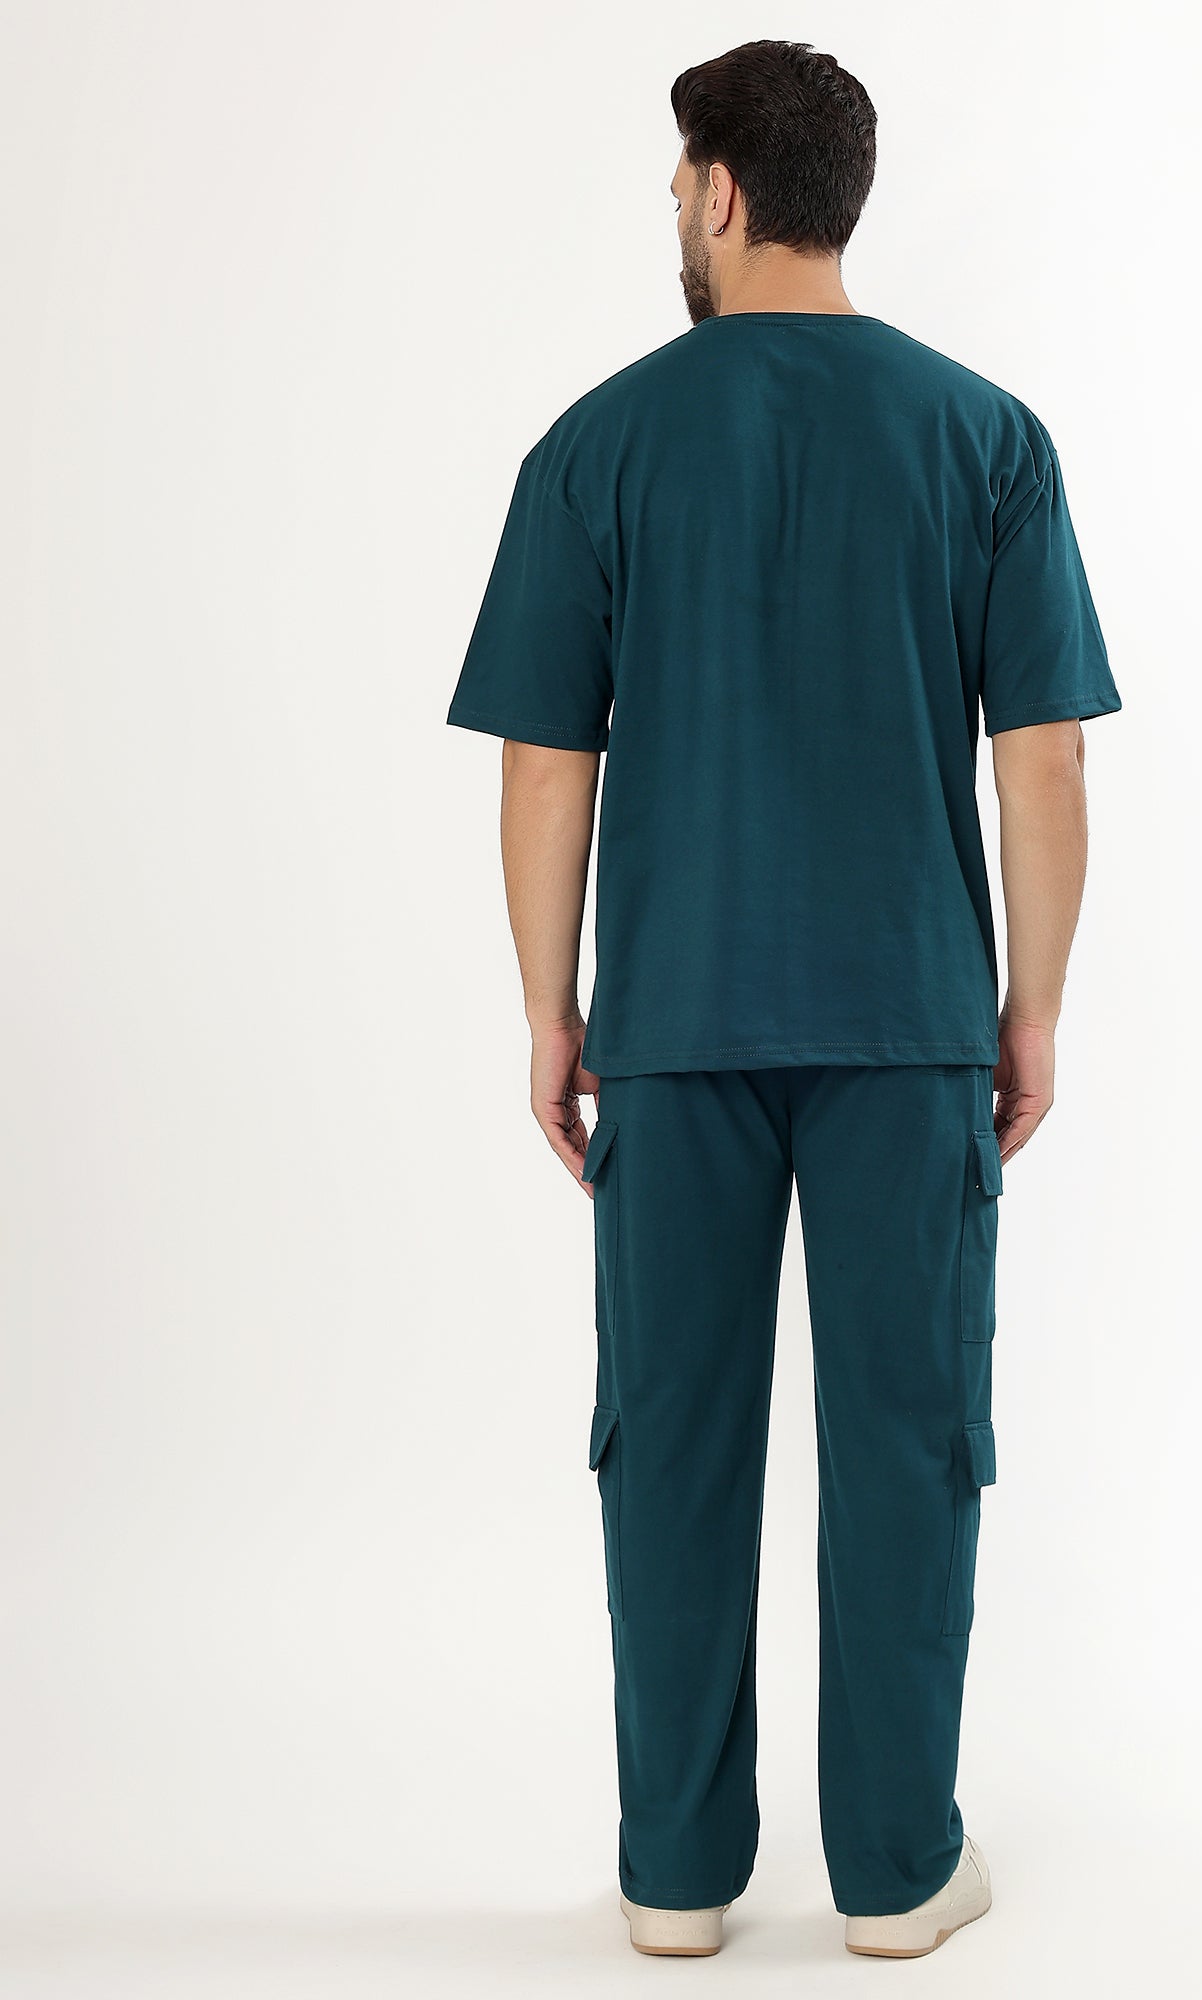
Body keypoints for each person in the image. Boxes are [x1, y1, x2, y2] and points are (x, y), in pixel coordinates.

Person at [445, 37, 1121, 1961]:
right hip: (913, 1019)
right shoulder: (987, 437)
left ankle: (675, 1877)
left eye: (680, 183)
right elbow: (1046, 758)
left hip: (672, 1022)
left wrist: (552, 1010)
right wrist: (1033, 1010)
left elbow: (546, 763)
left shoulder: (596, 446)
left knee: (670, 1439)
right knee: (908, 1438)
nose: (675, 210)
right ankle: (897, 1876)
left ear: (728, 192)